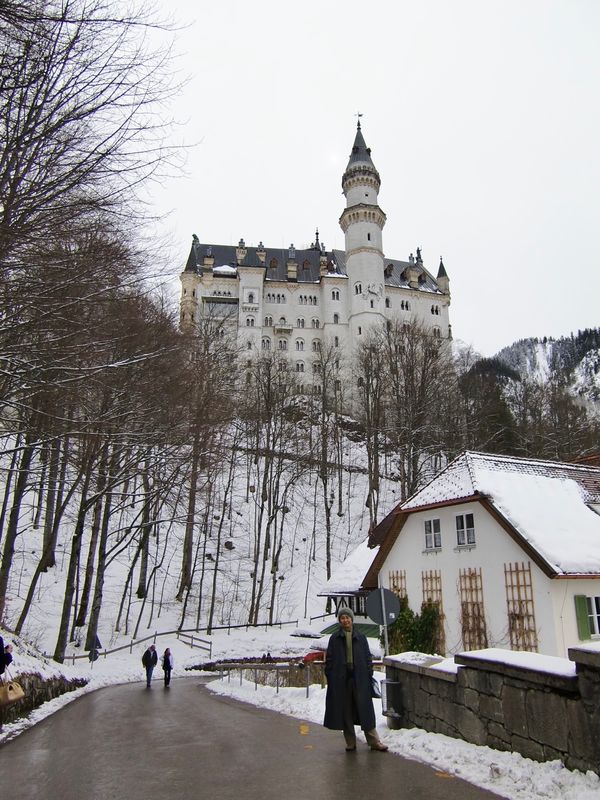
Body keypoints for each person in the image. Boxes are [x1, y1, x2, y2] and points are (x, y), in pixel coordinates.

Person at [323, 606, 388, 752]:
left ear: (351, 619)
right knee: (346, 711)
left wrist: (368, 673)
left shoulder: (361, 637)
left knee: (365, 711)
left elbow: (367, 657)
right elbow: (330, 660)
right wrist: (331, 677)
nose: (345, 620)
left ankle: (374, 741)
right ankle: (350, 742)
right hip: (341, 681)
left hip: (360, 679)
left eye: (347, 617)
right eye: (342, 618)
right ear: (340, 620)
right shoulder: (334, 638)